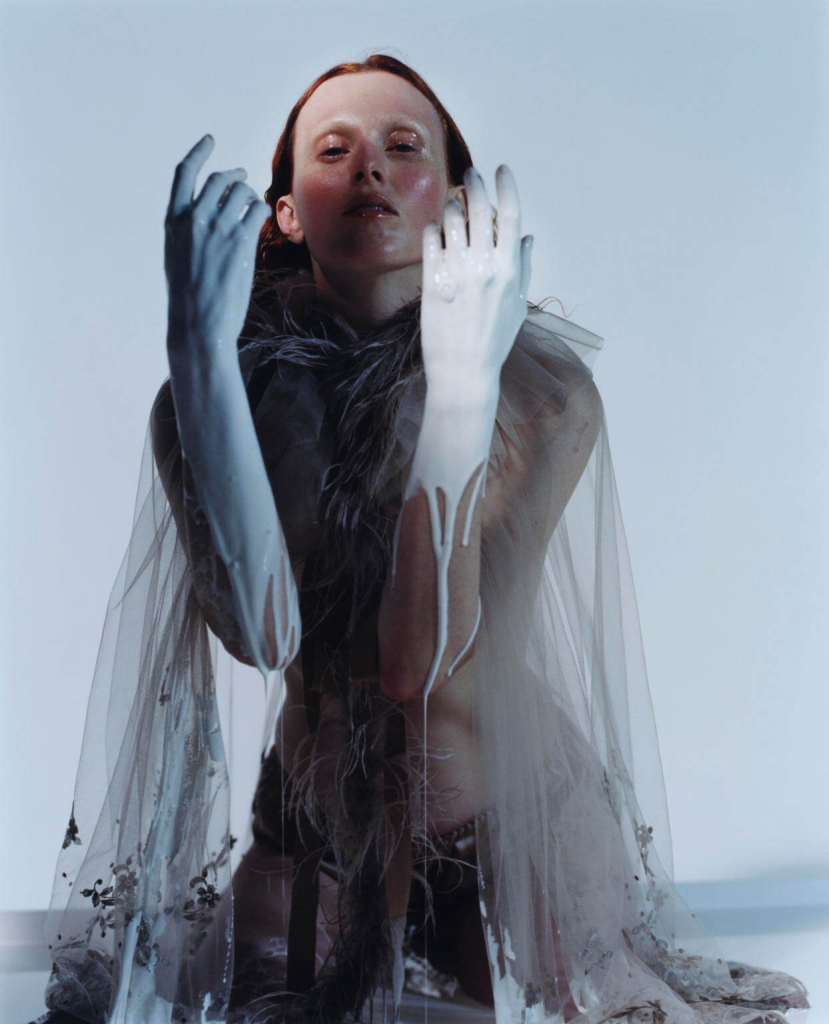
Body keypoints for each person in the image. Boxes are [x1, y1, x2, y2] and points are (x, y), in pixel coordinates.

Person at [34, 55, 810, 1024]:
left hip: (512, 843)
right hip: (308, 837)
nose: (368, 168)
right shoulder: (218, 397)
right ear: (284, 213)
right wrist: (198, 361)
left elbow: (418, 661)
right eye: (334, 149)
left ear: (449, 202)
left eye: (402, 148)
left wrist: (460, 398)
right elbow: (260, 635)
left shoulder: (542, 395)